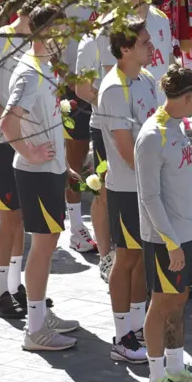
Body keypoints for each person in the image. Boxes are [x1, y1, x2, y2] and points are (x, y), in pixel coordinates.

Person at [0, 2, 82, 351]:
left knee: (46, 248)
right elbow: (7, 121)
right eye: (61, 31)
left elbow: (43, 120)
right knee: (43, 249)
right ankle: (34, 329)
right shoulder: (30, 72)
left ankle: (39, 315)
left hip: (49, 170)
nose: (64, 38)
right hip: (36, 173)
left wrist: (63, 165)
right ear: (46, 32)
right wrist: (28, 152)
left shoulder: (44, 68)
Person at [136, 64, 192, 382]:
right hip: (162, 239)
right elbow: (150, 196)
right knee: (161, 304)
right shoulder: (152, 136)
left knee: (179, 300)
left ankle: (176, 369)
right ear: (184, 98)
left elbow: (179, 187)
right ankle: (155, 380)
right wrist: (170, 242)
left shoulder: (176, 129)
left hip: (182, 232)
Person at [0, 0, 48, 318]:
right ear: (29, 14)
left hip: (21, 142)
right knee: (9, 219)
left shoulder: (32, 44)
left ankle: (16, 286)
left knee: (19, 217)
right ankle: (0, 292)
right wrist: (5, 117)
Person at [94, 19, 157, 364]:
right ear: (125, 50)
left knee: (142, 261)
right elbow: (125, 147)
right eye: (145, 43)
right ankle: (121, 337)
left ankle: (136, 328)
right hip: (128, 189)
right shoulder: (114, 89)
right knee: (127, 259)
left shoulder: (146, 79)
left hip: (149, 185)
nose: (152, 47)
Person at [45, 0, 103, 254]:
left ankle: (103, 223)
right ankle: (76, 227)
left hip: (103, 82)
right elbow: (48, 39)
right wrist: (67, 77)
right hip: (73, 86)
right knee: (76, 157)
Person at [74, 25, 116, 280]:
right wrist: (116, 110)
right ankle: (105, 257)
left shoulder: (151, 25)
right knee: (103, 191)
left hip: (144, 124)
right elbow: (82, 89)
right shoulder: (92, 39)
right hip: (104, 128)